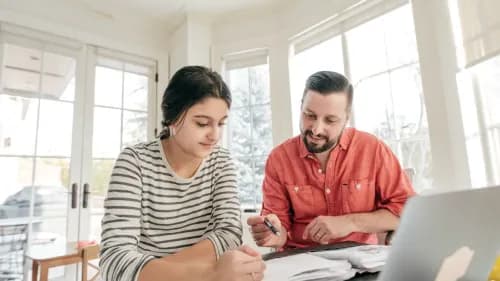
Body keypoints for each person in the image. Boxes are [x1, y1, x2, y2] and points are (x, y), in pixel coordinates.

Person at [100, 66, 265, 281]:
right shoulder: (134, 162)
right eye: (202, 123)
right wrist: (207, 274)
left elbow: (228, 233)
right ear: (171, 117)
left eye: (221, 123)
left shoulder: (221, 161)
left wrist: (160, 271)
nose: (215, 135)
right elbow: (115, 260)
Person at [248, 71, 415, 250]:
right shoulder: (279, 159)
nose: (316, 129)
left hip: (360, 262)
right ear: (301, 107)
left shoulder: (372, 149)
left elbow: (409, 212)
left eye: (330, 120)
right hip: (300, 263)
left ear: (346, 119)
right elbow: (278, 233)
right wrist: (270, 233)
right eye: (310, 115)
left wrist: (350, 222)